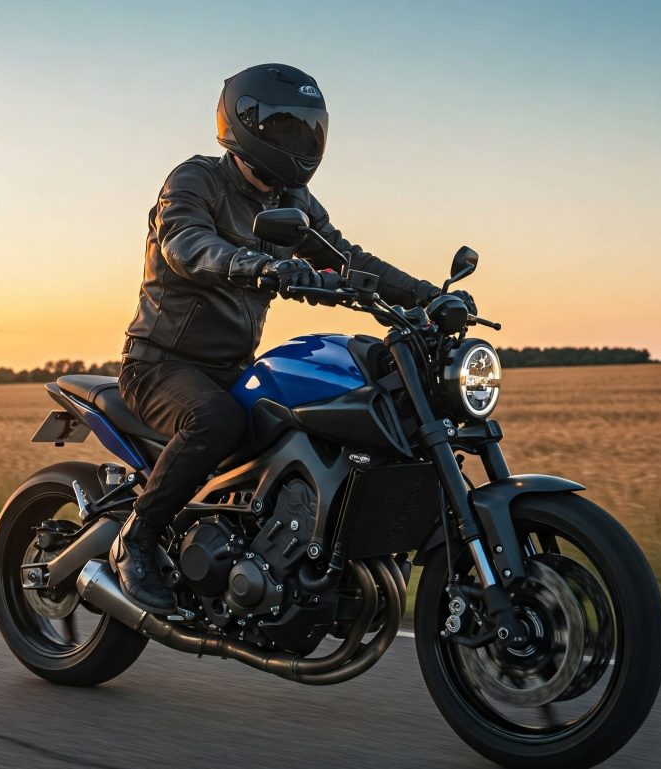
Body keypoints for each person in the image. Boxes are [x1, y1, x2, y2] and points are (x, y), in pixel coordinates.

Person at [112, 63, 444, 613]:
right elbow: (185, 243)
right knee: (216, 420)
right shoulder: (195, 180)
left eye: (307, 129)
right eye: (287, 127)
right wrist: (252, 264)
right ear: (247, 125)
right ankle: (137, 540)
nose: (300, 140)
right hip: (160, 366)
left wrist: (427, 297)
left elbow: (347, 258)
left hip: (234, 368)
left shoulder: (292, 201)